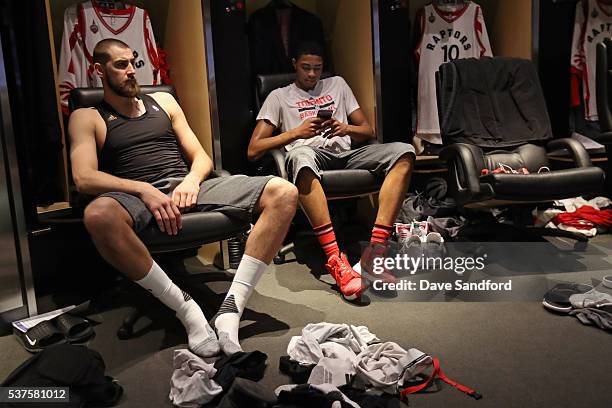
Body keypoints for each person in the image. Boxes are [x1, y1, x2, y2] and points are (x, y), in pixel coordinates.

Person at [68, 39, 298, 357]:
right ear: (98, 71)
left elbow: (201, 157)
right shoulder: (87, 116)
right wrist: (145, 190)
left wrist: (191, 180)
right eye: (121, 65)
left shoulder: (164, 101)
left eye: (134, 61)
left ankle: (230, 309)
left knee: (284, 193)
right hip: (134, 195)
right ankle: (187, 309)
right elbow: (84, 178)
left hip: (185, 185)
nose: (132, 70)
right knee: (97, 215)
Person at [248, 41, 415, 300]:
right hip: (310, 156)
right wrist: (296, 133)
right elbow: (254, 148)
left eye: (317, 68)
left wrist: (345, 128)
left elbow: (367, 130)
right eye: (306, 68)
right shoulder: (279, 96)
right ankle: (336, 260)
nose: (312, 74)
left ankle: (375, 254)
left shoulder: (338, 84)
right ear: (294, 65)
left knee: (404, 151)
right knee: (299, 155)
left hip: (347, 154)